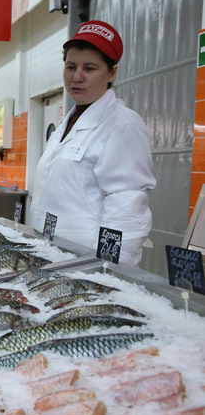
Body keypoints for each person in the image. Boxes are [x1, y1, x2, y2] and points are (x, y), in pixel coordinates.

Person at [30, 20, 155, 266]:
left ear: (112, 73)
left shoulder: (122, 125)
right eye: (70, 66)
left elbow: (127, 208)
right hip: (51, 255)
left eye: (89, 68)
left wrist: (108, 272)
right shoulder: (67, 123)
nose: (77, 77)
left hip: (86, 262)